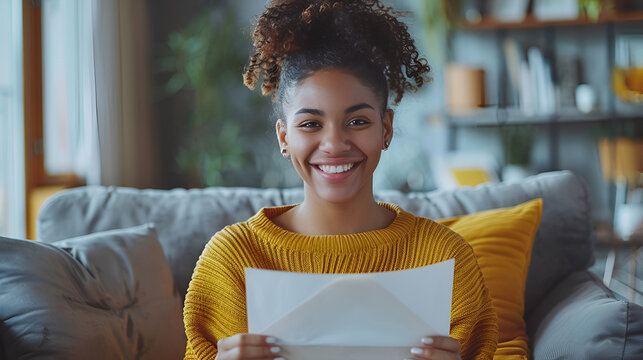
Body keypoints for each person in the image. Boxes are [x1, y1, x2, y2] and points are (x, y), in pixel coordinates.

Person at [183, 1, 498, 359]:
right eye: (311, 124)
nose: (334, 144)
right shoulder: (232, 259)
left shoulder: (445, 257)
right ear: (284, 138)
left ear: (387, 129)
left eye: (358, 121)